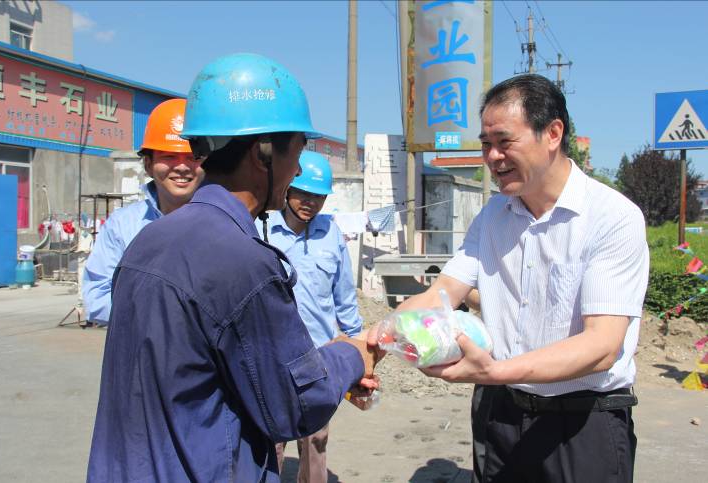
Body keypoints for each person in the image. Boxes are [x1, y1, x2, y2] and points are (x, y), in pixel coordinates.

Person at [86, 53, 381, 482]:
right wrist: (352, 355)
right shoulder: (242, 261)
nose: (299, 170)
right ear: (263, 153)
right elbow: (296, 405)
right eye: (298, 152)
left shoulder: (148, 241)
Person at [373, 74, 649, 483]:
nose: (493, 157)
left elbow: (602, 346)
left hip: (583, 422)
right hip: (500, 414)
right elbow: (443, 292)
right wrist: (374, 342)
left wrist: (493, 372)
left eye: (505, 141)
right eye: (486, 143)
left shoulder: (612, 218)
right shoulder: (492, 216)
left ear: (552, 133)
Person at [266, 151, 363, 483]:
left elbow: (344, 297)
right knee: (271, 441)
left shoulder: (331, 234)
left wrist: (359, 348)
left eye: (318, 197)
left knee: (316, 439)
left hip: (318, 357)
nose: (310, 203)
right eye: (304, 194)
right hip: (272, 357)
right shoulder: (263, 231)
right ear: (287, 189)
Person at [81, 98, 203, 326]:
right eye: (169, 156)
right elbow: (97, 297)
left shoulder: (228, 224)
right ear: (148, 164)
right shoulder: (122, 226)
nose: (182, 166)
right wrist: (164, 317)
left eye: (193, 157)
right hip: (140, 345)